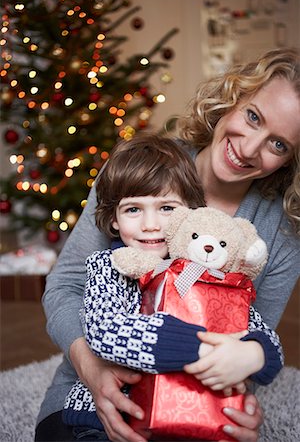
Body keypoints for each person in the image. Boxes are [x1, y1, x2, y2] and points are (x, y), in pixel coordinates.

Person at [35, 48, 300, 442]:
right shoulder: (136, 169)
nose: (248, 149)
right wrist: (92, 369)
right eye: (253, 116)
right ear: (233, 98)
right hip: (92, 393)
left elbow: (251, 339)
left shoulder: (281, 235)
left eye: (278, 144)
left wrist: (241, 395)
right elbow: (65, 285)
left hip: (193, 405)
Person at [61, 135, 283, 436]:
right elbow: (105, 331)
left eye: (166, 208)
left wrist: (255, 354)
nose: (150, 224)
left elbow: (258, 330)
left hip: (187, 409)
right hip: (108, 417)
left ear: (188, 214)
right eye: (133, 210)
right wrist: (203, 350)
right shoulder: (108, 266)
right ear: (114, 219)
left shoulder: (208, 273)